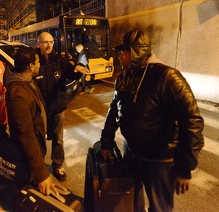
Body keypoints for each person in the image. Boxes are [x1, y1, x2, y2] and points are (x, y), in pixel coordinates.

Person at [100, 29, 204, 211]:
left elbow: (192, 120)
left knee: (159, 207)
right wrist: (106, 143)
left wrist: (184, 167)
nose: (119, 58)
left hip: (160, 160)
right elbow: (114, 111)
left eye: (123, 53)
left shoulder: (167, 77)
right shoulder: (125, 77)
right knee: (131, 201)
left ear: (135, 52)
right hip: (132, 153)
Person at [0, 46, 59, 211]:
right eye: (38, 62)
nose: (40, 64)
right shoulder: (18, 94)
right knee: (23, 194)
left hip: (34, 150)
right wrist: (41, 174)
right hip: (24, 157)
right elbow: (25, 134)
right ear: (31, 66)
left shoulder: (27, 81)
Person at [35, 32, 89, 181]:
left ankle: (57, 165)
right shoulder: (34, 61)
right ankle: (39, 168)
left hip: (57, 105)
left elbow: (71, 73)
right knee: (39, 138)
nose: (48, 45)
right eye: (45, 42)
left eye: (51, 42)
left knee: (58, 139)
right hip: (40, 107)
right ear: (38, 44)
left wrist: (77, 70)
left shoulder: (59, 59)